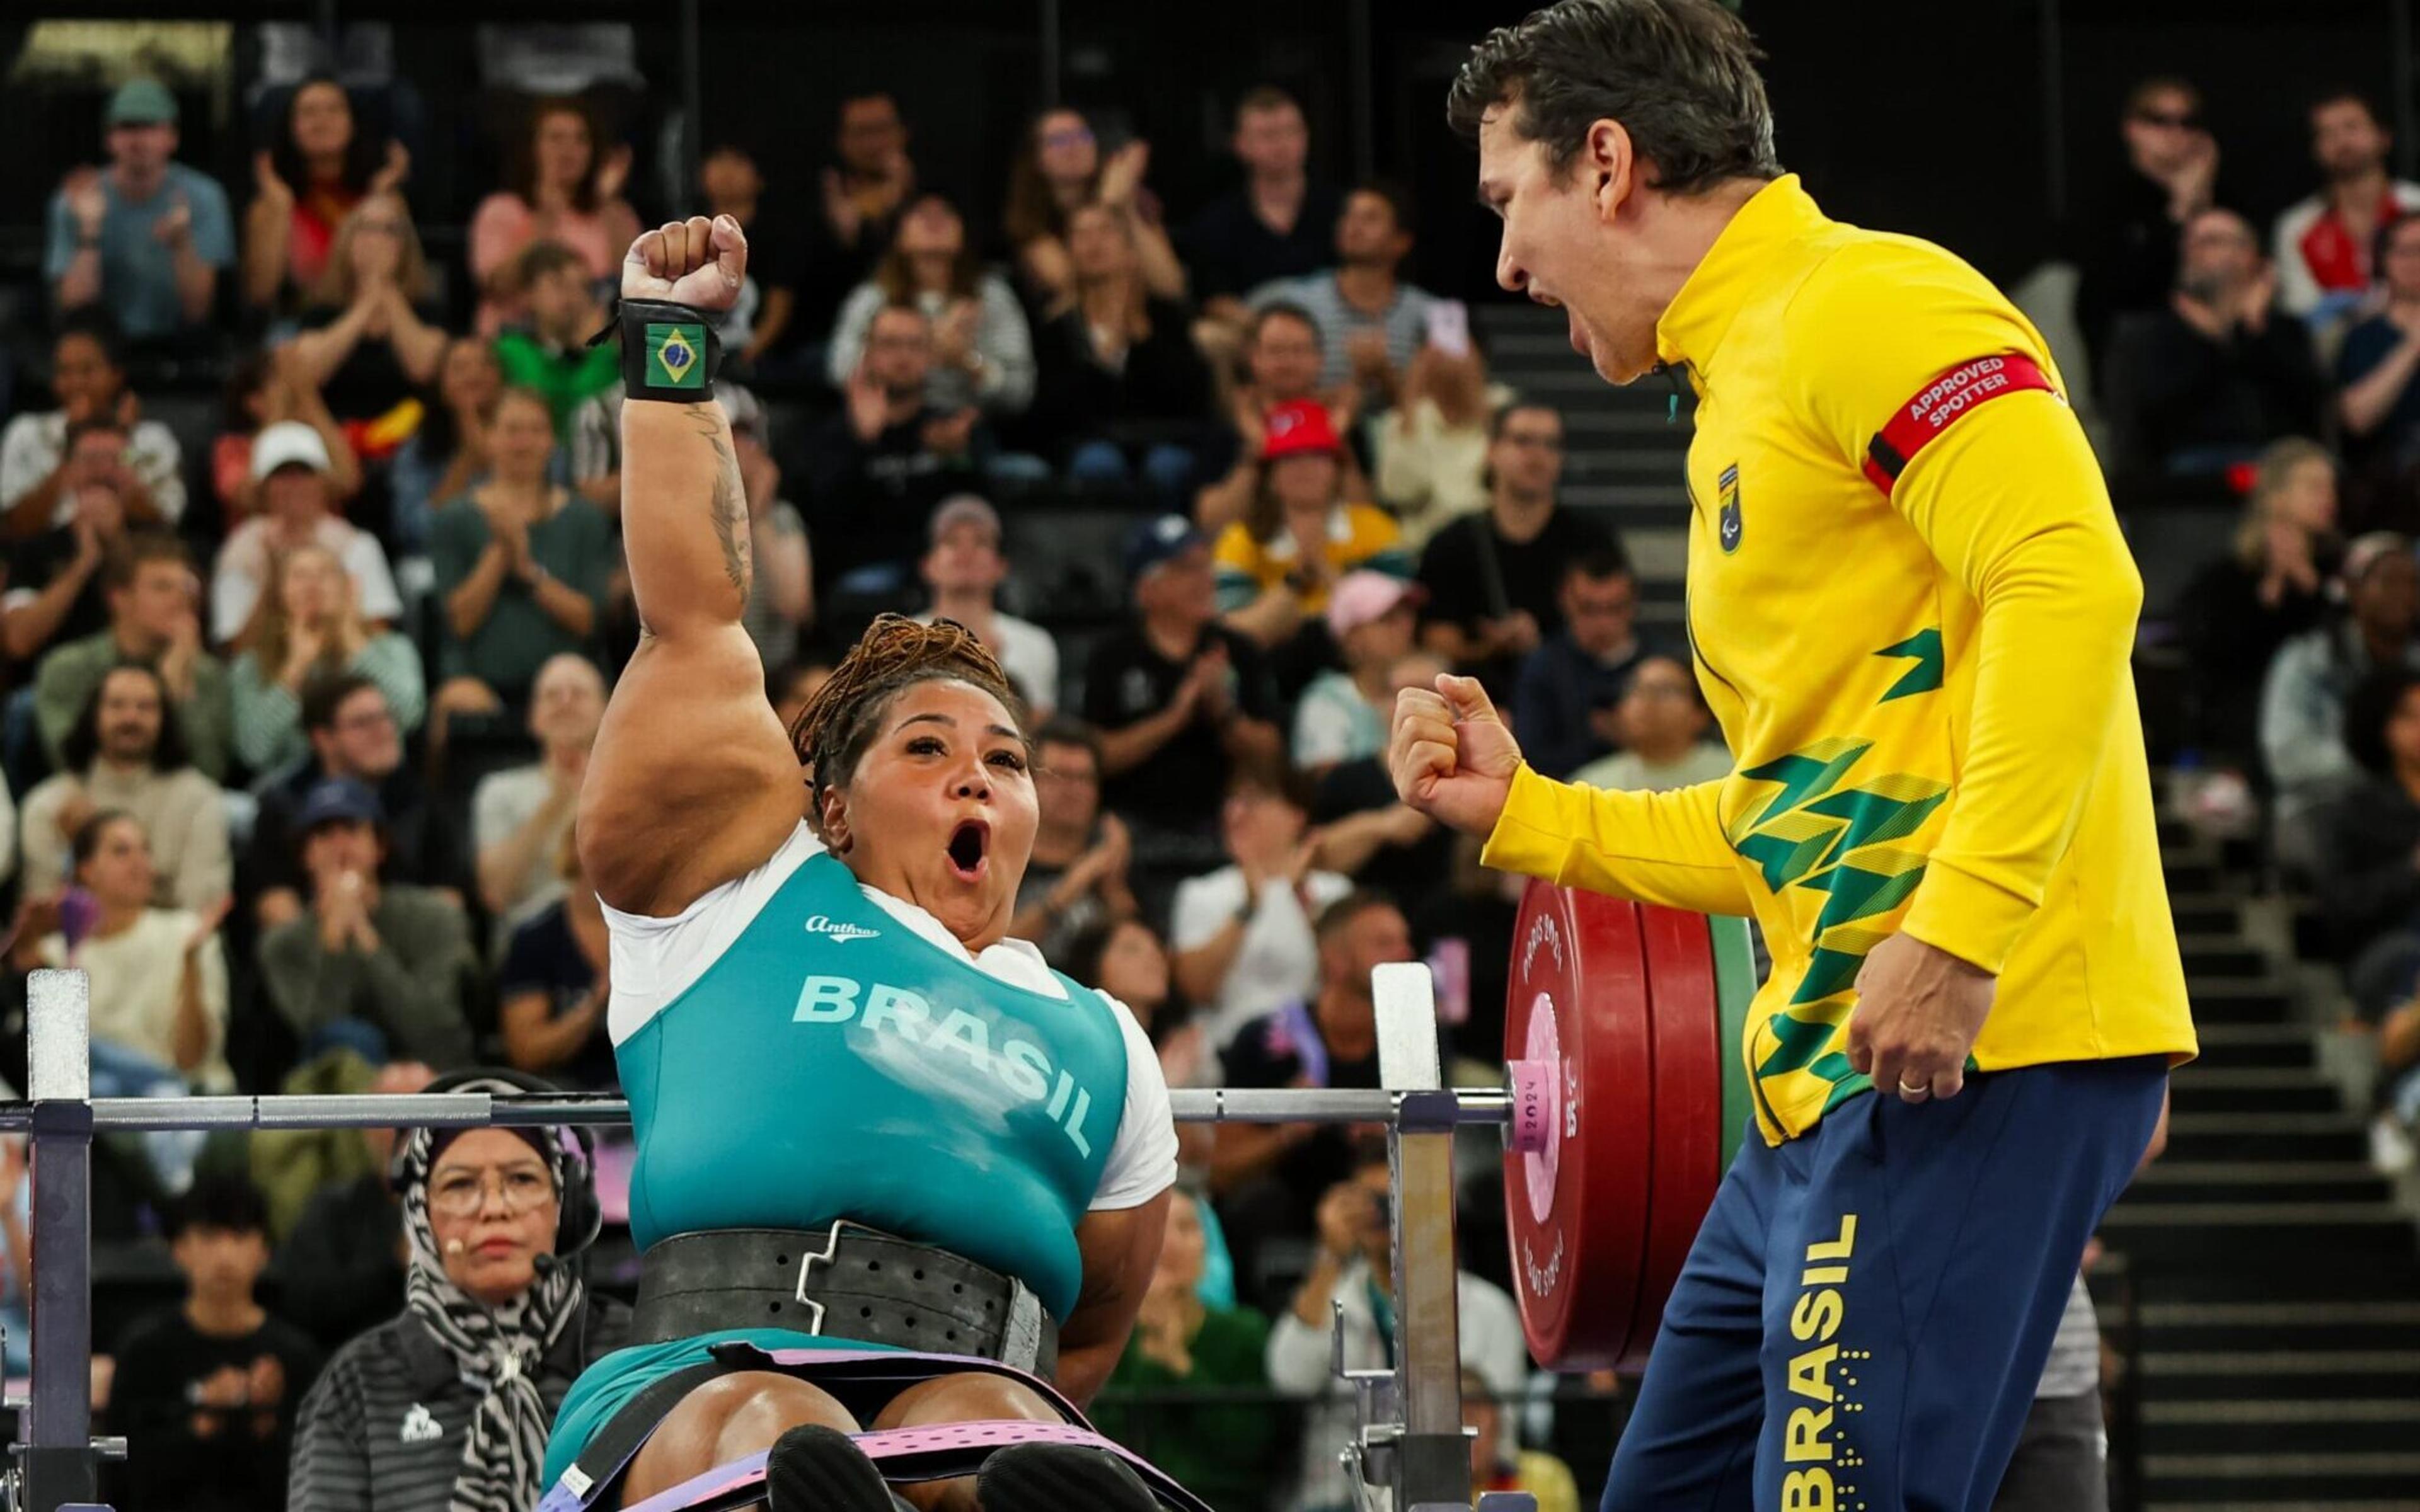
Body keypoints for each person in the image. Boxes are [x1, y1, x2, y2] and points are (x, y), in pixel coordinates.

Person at [1402, 8, 2193, 1507]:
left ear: (1609, 163)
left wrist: (1959, 930)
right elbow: (1792, 815)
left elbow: (2069, 578)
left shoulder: (1860, 301)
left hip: (1965, 1047)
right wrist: (1531, 813)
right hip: (1820, 1091)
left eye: (1509, 204)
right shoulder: (1737, 391)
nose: (1503, 265)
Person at [543, 215, 1180, 1512]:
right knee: (784, 1429)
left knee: (1006, 1435)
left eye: (1005, 761)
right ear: (828, 808)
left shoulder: (1105, 1041)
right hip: (713, 1377)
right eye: (929, 746)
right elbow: (694, 613)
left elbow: (1096, 1330)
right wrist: (670, 340)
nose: (975, 777)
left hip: (968, 1382)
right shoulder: (740, 891)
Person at [287, 1082, 632, 1512]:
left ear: (567, 1206)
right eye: (460, 1185)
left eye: (522, 1179)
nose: (493, 1208)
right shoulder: (357, 1383)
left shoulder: (633, 1357)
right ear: (421, 1213)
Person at [1263, 1143, 1526, 1512]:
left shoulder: (1489, 1309)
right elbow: (1288, 1377)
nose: (1381, 1213)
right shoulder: (1331, 1296)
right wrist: (1329, 1254)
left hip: (1449, 1496)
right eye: (1368, 1200)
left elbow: (1499, 1435)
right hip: (1340, 1498)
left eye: (1395, 1196)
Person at [108, 1176, 322, 1512]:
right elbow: (121, 1480)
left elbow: (319, 1484)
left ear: (264, 1250)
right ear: (178, 1248)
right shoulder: (145, 1353)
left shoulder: (298, 1357)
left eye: (239, 1236)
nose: (224, 1255)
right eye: (209, 1237)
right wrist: (202, 1417)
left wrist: (264, 1422)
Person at [1082, 514, 1283, 842]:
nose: (1205, 580)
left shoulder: (1238, 650)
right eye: (1186, 569)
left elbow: (1271, 759)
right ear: (1147, 589)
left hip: (1226, 827)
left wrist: (1223, 710)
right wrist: (1175, 718)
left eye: (1206, 566)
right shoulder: (1113, 657)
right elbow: (1096, 757)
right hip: (1131, 827)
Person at [257, 777, 477, 1069]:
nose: (340, 846)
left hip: (432, 1079)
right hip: (336, 1100)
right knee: (350, 1038)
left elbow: (434, 1031)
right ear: (305, 855)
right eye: (324, 833)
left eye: (351, 829)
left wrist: (365, 938)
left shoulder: (435, 917)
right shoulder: (283, 946)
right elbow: (321, 1040)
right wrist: (334, 940)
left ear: (380, 845)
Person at [16, 808, 231, 1091]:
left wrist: (190, 963)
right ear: (87, 869)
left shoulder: (187, 934)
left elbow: (192, 1060)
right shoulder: (58, 953)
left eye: (145, 850)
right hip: (95, 1104)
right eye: (121, 851)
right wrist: (26, 936)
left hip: (182, 1102)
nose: (139, 862)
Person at [2104, 206, 2324, 479]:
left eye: (2213, 241)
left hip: (2278, 469)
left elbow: (2311, 408)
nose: (2195, 251)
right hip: (2190, 477)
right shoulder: (2150, 333)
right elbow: (2156, 415)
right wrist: (2218, 337)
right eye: (2192, 242)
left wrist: (2252, 332)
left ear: (2252, 256)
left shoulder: (2283, 331)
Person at [1090, 1189, 1274, 1512]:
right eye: (1160, 1228)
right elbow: (1099, 1439)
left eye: (1187, 1228)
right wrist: (1147, 1353)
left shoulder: (1245, 1331)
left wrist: (1178, 1364)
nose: (1171, 1246)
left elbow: (1251, 1445)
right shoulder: (1104, 1332)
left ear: (1207, 1247)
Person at [429, 386, 610, 716]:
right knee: (458, 701)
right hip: (480, 683)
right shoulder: (452, 519)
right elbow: (460, 622)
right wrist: (500, 551)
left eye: (536, 430)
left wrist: (528, 571)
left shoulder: (586, 519)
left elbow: (588, 621)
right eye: (512, 430)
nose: (523, 443)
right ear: (489, 438)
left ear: (553, 441)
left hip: (568, 680)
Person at [245, 674, 470, 927]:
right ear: (323, 739)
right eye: (363, 723)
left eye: (386, 717)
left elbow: (448, 904)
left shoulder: (421, 803)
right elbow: (274, 902)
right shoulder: (284, 807)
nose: (383, 731)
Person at [1415, 403, 1611, 692]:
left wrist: (1547, 644)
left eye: (1551, 445)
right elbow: (1434, 639)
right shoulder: (1452, 544)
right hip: (1476, 697)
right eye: (1523, 441)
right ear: (1491, 450)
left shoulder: (1591, 541)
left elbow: (1612, 632)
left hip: (1573, 695)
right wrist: (1488, 646)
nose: (1537, 455)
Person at [1028, 202, 1213, 502]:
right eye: (1082, 234)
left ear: (1130, 249)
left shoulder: (1164, 316)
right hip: (1086, 444)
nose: (1094, 243)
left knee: (1167, 465)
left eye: (1105, 232)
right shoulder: (1055, 327)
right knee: (1098, 463)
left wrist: (1142, 343)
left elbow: (1192, 397)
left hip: (1164, 440)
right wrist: (1101, 361)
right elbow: (1048, 410)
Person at [800, 303, 988, 595]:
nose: (903, 356)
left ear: (931, 356)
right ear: (868, 354)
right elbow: (823, 518)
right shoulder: (836, 431)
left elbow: (982, 513)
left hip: (939, 572)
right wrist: (861, 443)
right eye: (890, 344)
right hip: (862, 574)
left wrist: (958, 459)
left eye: (915, 345)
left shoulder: (949, 428)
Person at [2173, 438, 2339, 765]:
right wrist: (2270, 592)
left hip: (2326, 718)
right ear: (2276, 497)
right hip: (2246, 726)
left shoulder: (2338, 569)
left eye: (2331, 487)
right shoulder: (2229, 578)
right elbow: (2209, 650)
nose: (2330, 499)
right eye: (2314, 487)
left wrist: (2310, 586)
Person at [1170, 769, 1355, 1052]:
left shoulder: (1333, 891)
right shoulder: (1202, 892)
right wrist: (1248, 909)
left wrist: (1296, 906)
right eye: (1232, 801)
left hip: (1312, 1049)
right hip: (1226, 1051)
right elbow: (1196, 988)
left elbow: (1348, 982)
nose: (1237, 812)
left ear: (1297, 814)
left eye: (1253, 800)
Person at [20, 665, 231, 910]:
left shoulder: (199, 799)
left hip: (173, 944)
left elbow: (201, 908)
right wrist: (75, 854)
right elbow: (42, 918)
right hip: (82, 945)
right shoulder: (50, 804)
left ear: (165, 718)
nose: (131, 718)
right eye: (117, 705)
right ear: (93, 716)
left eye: (145, 707)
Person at [2264, 534, 2420, 861]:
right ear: (2354, 589)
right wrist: (2380, 771)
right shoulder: (2307, 661)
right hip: (2323, 806)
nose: (2403, 595)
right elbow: (2288, 756)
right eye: (2389, 581)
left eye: (2412, 583)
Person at [1213, 398, 1410, 654]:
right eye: (1290, 457)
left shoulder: (1377, 529)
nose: (1305, 468)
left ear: (1337, 469)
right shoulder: (1240, 539)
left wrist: (1324, 569)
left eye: (1318, 455)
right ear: (1270, 476)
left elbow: (1396, 630)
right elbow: (1235, 636)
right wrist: (1295, 580)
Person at [47, 79, 235, 346]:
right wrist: (89, 233)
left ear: (173, 137)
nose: (138, 140)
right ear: (109, 139)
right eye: (127, 127)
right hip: (103, 350)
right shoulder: (75, 199)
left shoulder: (205, 196)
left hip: (181, 347)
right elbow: (76, 316)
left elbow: (199, 313)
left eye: (150, 126)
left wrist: (182, 245)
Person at [33, 531, 228, 781]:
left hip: (179, 809)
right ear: (119, 598)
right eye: (162, 587)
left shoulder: (206, 674)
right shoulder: (69, 668)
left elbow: (209, 773)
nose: (181, 599)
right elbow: (70, 762)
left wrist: (178, 694)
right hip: (93, 806)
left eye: (185, 587)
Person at [825, 192, 1036, 421]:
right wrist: (906, 352)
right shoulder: (873, 298)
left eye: (946, 214)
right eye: (921, 214)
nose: (934, 222)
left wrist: (966, 361)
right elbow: (840, 370)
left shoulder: (992, 296)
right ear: (899, 236)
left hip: (970, 425)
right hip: (890, 422)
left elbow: (1020, 392)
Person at [275, 1058, 434, 1348]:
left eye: (420, 1113)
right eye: (391, 1115)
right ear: (367, 1129)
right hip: (356, 1364)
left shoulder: (471, 1208)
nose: (405, 1129)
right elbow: (304, 1305)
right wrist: (393, 1264)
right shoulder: (332, 1209)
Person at [229, 542, 426, 776]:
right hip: (291, 789)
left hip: (377, 783)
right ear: (279, 595)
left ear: (347, 587)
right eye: (299, 576)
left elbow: (409, 715)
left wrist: (352, 641)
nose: (312, 585)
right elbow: (254, 751)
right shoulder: (251, 665)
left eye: (325, 573)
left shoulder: (393, 648)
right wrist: (296, 668)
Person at [2073, 75, 2221, 369]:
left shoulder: (2222, 201)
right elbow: (2113, 294)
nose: (2176, 132)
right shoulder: (2109, 201)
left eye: (2188, 122)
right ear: (2132, 128)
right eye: (2161, 120)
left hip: (2214, 347)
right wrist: (2180, 210)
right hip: (2136, 358)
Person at [211, 421, 403, 648]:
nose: (294, 485)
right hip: (268, 670)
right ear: (262, 489)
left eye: (304, 473)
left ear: (324, 482)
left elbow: (378, 631)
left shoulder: (356, 544)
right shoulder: (241, 550)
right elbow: (235, 645)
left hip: (345, 664)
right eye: (282, 475)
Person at [1, 316, 185, 541]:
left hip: (130, 555)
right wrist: (71, 450)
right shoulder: (27, 432)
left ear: (116, 375)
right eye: (64, 372)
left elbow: (165, 520)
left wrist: (121, 443)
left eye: (88, 370)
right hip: (46, 559)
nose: (76, 383)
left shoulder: (151, 438)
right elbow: (12, 525)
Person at [1194, 303, 1372, 534]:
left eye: (1299, 351)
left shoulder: (1344, 425)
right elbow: (1211, 523)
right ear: (1254, 358)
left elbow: (1365, 517)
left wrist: (1333, 439)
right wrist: (1256, 450)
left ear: (1320, 359)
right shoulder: (1232, 427)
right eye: (1276, 351)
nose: (1288, 362)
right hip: (1251, 554)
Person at [468, 95, 640, 333]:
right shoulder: (501, 210)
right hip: (516, 345)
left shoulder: (615, 212)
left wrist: (606, 203)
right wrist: (547, 214)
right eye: (556, 138)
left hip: (594, 348)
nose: (568, 150)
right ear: (532, 148)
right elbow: (499, 286)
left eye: (580, 140)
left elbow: (631, 290)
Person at [279, 193, 448, 431]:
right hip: (335, 433)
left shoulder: (425, 310)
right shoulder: (323, 312)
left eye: (389, 230)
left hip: (410, 435)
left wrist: (387, 289)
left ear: (405, 246)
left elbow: (425, 368)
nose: (377, 240)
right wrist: (366, 305)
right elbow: (308, 372)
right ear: (348, 240)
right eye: (367, 229)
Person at [1252, 183, 1438, 399]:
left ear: (1402, 242)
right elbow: (1242, 318)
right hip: (1316, 428)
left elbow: (1451, 404)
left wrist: (1385, 375)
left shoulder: (1427, 313)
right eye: (1349, 216)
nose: (1354, 226)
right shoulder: (1300, 299)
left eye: (1370, 218)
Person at [241, 74, 410, 312]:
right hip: (303, 329)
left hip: (375, 323)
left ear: (353, 123)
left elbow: (408, 286)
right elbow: (260, 296)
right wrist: (281, 207)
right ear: (290, 129)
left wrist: (379, 197)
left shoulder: (383, 197)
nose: (322, 121)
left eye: (335, 110)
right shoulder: (272, 204)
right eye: (309, 112)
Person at [1181, 88, 1344, 318]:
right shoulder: (1216, 223)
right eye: (1268, 135)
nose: (1282, 144)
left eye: (1291, 131)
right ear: (1240, 144)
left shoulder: (1342, 211)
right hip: (1254, 335)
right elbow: (1214, 298)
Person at [474, 652, 605, 934]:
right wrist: (556, 802)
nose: (565, 702)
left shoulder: (628, 786)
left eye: (578, 693)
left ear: (606, 710)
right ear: (533, 717)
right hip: (529, 949)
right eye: (552, 695)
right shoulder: (498, 791)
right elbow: (496, 893)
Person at [1003, 107, 1187, 308]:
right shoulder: (1030, 218)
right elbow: (1074, 288)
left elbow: (1171, 286)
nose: (1073, 147)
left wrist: (1125, 208)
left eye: (1083, 136)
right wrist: (1107, 207)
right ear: (1037, 158)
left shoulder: (1128, 195)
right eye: (1059, 140)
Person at [3, 418, 144, 667]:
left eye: (115, 460)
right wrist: (84, 563)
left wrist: (116, 542)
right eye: (90, 460)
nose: (102, 472)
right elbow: (18, 641)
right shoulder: (33, 548)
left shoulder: (163, 543)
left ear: (132, 472)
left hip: (143, 685)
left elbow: (170, 622)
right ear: (67, 470)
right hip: (46, 688)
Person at [2274, 91, 2420, 321]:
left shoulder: (2416, 204)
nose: (2342, 141)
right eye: (2327, 133)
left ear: (2384, 138)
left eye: (2352, 127)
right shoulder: (2297, 226)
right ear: (2315, 150)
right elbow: (2301, 311)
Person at [1511, 550, 1654, 779]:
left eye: (1614, 609)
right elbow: (1530, 757)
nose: (1602, 623)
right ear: (1564, 601)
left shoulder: (1663, 665)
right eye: (1588, 609)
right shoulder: (1543, 666)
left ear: (1633, 605)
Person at [913, 494, 1056, 717]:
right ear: (927, 565)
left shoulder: (1035, 644)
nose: (966, 551)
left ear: (1001, 567)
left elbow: (1037, 731)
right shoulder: (903, 641)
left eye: (980, 542)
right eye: (951, 541)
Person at [1009, 719, 1137, 967]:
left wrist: (1114, 887)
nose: (1073, 790)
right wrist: (1075, 884)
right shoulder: (1000, 857)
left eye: (1085, 778)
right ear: (1029, 781)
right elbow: (989, 950)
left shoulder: (1116, 855)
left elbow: (1140, 963)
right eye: (1060, 776)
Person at [497, 826, 616, 1088]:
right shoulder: (536, 938)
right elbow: (527, 1052)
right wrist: (592, 1008)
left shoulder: (663, 929)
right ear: (573, 851)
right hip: (566, 1093)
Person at [210, 344, 364, 532]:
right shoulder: (231, 447)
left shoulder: (317, 438)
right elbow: (247, 496)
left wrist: (308, 394)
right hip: (262, 545)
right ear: (254, 402)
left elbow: (348, 482)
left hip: (322, 546)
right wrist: (278, 411)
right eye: (280, 383)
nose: (291, 390)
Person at [802, 91, 918, 336]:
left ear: (903, 132)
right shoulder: (824, 192)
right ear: (841, 140)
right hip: (827, 333)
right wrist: (843, 235)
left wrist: (899, 204)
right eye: (861, 132)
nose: (873, 144)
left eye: (881, 129)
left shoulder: (928, 194)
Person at [721, 385, 814, 667]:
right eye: (726, 436)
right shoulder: (682, 515)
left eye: (746, 437)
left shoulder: (778, 516)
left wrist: (757, 512)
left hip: (770, 673)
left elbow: (794, 605)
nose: (739, 449)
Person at [1294, 570, 1420, 776]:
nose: (1406, 626)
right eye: (1387, 619)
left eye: (1406, 614)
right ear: (1352, 639)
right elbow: (1330, 787)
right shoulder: (1327, 701)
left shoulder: (1428, 685)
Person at [1373, 341, 1497, 549]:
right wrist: (1412, 390)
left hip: (1487, 544)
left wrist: (1475, 395)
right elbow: (1397, 491)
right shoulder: (1404, 421)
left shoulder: (1502, 409)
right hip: (1424, 546)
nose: (1452, 363)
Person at [495, 241, 622, 440]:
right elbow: (562, 409)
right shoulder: (510, 350)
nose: (572, 297)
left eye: (582, 286)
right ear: (528, 295)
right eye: (558, 284)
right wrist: (593, 352)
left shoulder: (614, 353)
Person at [389, 337, 505, 555]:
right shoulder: (417, 450)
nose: (474, 375)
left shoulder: (529, 437)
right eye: (460, 368)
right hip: (438, 560)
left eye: (486, 365)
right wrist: (468, 456)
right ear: (440, 383)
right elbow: (415, 530)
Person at [2336, 216, 2420, 500]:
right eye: (2404, 251)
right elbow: (2357, 419)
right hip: (2387, 482)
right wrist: (2413, 346)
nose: (2415, 261)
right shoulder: (2363, 337)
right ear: (2384, 260)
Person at [699, 144, 800, 370]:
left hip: (756, 358)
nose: (727, 171)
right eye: (718, 159)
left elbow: (778, 310)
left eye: (739, 162)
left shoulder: (777, 237)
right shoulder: (688, 231)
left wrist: (747, 355)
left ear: (760, 177)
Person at [1568, 653, 1731, 793]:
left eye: (1664, 690)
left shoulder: (1733, 777)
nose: (1647, 701)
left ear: (1701, 714)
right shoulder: (1590, 786)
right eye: (1636, 689)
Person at [1463, 1367, 1582, 1512]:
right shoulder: (1430, 1497)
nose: (1467, 1434)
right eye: (1455, 1422)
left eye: (1473, 1417)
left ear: (1498, 1421)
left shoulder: (1547, 1476)